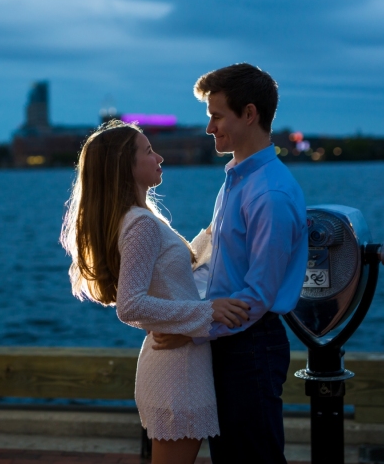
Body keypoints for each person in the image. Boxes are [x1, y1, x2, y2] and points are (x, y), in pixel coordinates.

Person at [60, 120, 250, 464]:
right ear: (125, 166)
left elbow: (171, 277)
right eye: (148, 151)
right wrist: (209, 312)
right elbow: (130, 306)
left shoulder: (138, 219)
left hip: (177, 365)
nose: (159, 157)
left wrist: (215, 230)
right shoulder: (141, 224)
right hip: (176, 373)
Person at [153, 63, 308, 463]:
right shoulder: (238, 181)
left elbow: (256, 296)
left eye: (217, 116)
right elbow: (214, 268)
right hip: (231, 340)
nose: (209, 128)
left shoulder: (269, 193)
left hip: (250, 345)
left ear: (250, 114)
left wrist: (192, 329)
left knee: (251, 457)